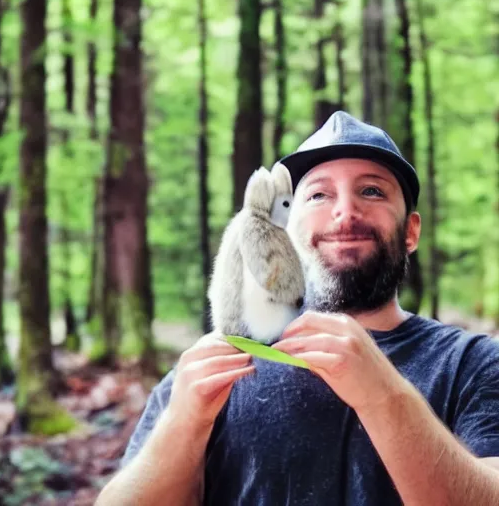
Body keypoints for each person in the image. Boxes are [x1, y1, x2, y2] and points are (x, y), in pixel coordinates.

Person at [95, 111, 499, 506]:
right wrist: (183, 425)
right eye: (319, 195)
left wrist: (383, 395)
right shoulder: (222, 364)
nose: (345, 211)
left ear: (410, 232)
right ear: (286, 229)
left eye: (372, 191)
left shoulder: (475, 364)